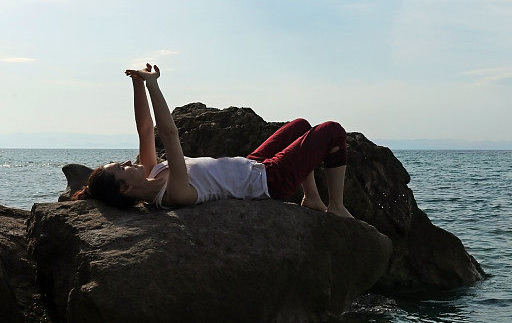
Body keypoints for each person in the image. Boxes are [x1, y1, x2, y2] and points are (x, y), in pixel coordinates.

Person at [72, 63, 352, 217]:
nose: (125, 161)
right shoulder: (174, 194)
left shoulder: (151, 171)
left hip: (252, 164)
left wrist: (138, 85)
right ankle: (336, 207)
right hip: (268, 181)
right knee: (333, 131)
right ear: (125, 188)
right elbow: (169, 135)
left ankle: (312, 199)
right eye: (120, 167)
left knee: (300, 126)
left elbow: (145, 130)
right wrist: (154, 84)